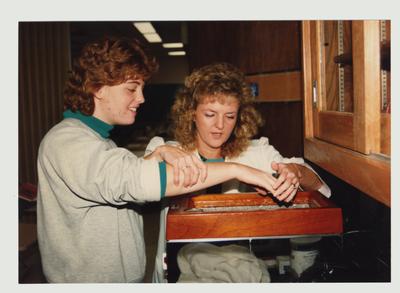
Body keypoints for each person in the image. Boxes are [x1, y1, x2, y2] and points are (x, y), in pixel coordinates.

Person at [36, 38, 287, 283]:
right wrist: (237, 170)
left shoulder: (97, 141)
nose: (141, 98)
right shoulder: (68, 142)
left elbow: (120, 175)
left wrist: (156, 156)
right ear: (97, 88)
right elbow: (135, 181)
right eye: (132, 88)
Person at [148, 62, 331, 282]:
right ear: (192, 113)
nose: (219, 125)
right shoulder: (168, 151)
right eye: (210, 114)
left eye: (229, 116)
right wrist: (159, 153)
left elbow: (323, 190)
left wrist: (295, 172)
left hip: (237, 268)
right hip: (179, 270)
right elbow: (139, 181)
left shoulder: (255, 152)